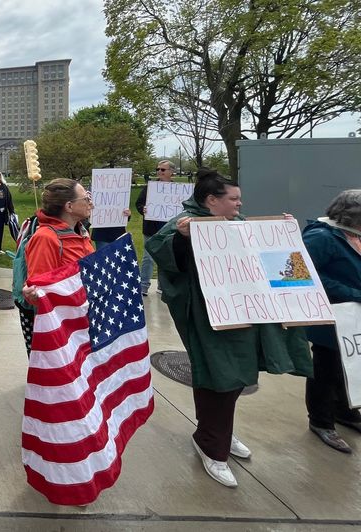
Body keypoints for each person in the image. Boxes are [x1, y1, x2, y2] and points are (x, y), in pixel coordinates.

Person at [145, 168, 312, 488]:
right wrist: (181, 240)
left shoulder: (237, 223)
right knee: (218, 377)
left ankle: (218, 431)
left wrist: (284, 233)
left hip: (246, 317)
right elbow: (162, 255)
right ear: (211, 200)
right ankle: (211, 446)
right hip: (211, 321)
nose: (239, 203)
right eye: (233, 198)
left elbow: (271, 259)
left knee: (234, 378)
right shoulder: (183, 224)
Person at [302, 189, 361, 453]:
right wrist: (353, 293)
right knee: (326, 368)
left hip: (351, 316)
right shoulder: (321, 236)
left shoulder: (352, 234)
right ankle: (321, 422)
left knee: (346, 367)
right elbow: (304, 275)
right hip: (331, 315)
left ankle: (344, 413)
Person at [21, 178, 95, 310]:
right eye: (86, 199)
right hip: (66, 323)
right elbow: (40, 292)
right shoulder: (45, 238)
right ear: (69, 206)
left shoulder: (81, 232)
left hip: (86, 316)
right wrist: (33, 294)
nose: (91, 203)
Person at [135, 160, 175, 296]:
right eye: (158, 169)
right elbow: (139, 203)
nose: (159, 172)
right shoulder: (150, 187)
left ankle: (163, 286)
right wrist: (143, 209)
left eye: (163, 170)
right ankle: (143, 286)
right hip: (151, 229)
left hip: (169, 230)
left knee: (166, 258)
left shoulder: (177, 189)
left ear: (171, 172)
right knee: (148, 258)